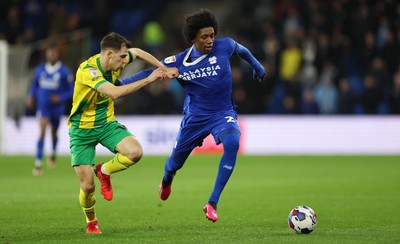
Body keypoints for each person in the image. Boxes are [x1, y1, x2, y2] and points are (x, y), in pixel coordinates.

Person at [121, 9, 266, 222]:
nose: (210, 40)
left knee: (233, 141)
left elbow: (241, 50)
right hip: (195, 119)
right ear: (192, 38)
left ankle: (212, 202)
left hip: (222, 113)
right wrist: (121, 83)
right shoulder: (178, 61)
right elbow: (149, 73)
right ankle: (167, 179)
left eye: (212, 35)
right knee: (173, 164)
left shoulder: (223, 46)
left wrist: (257, 66)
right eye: (204, 37)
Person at [68, 32, 178, 234]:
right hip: (81, 132)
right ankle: (91, 221)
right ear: (109, 54)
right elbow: (115, 93)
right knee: (88, 187)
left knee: (135, 152)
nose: (124, 62)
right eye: (121, 58)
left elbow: (138, 52)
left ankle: (104, 171)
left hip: (106, 124)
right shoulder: (88, 71)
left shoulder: (121, 56)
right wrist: (150, 78)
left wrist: (163, 68)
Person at [27, 45, 74, 176]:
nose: (51, 55)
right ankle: (38, 164)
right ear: (47, 54)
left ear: (57, 55)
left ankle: (53, 152)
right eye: (49, 53)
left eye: (53, 53)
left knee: (54, 132)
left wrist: (60, 97)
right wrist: (31, 96)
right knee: (42, 131)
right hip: (43, 106)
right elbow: (35, 85)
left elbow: (71, 91)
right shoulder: (40, 70)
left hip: (57, 108)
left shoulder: (65, 72)